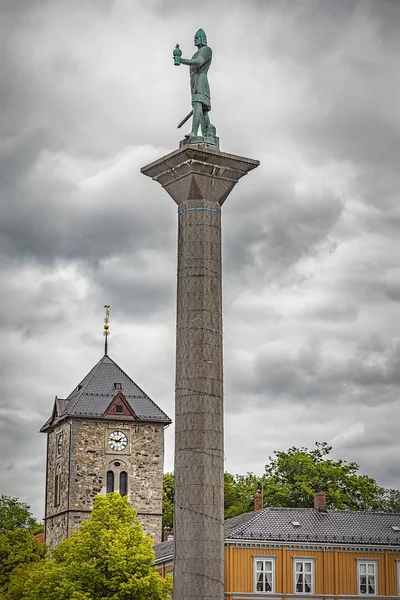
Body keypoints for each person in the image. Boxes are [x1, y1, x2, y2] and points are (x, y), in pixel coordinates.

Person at [175, 29, 216, 140]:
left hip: (201, 81)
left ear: (202, 39)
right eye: (194, 38)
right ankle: (207, 133)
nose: (195, 40)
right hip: (194, 82)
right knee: (202, 110)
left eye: (197, 38)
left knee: (198, 104)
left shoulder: (207, 50)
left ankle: (194, 132)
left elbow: (198, 62)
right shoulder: (196, 53)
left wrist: (181, 60)